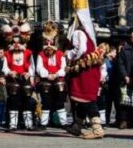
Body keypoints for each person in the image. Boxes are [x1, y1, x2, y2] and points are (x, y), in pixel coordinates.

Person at [65, 10, 105, 139]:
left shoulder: (78, 32)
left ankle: (97, 129)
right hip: (92, 69)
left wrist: (69, 54)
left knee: (87, 98)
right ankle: (77, 125)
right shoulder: (90, 35)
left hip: (83, 69)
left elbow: (80, 49)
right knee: (82, 98)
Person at [2, 18, 34, 131]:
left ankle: (28, 124)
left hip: (24, 79)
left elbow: (32, 66)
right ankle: (13, 124)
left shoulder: (28, 53)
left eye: (18, 42)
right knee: (13, 101)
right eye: (14, 42)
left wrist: (29, 73)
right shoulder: (7, 54)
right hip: (13, 79)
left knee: (27, 101)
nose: (16, 44)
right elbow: (5, 67)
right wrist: (10, 72)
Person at [35, 22, 68, 129]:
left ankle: (63, 123)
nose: (49, 48)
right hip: (46, 80)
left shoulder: (60, 55)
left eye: (51, 45)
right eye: (47, 45)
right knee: (46, 102)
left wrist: (57, 74)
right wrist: (48, 75)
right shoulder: (41, 54)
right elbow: (39, 67)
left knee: (59, 103)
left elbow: (63, 68)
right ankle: (43, 123)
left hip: (58, 79)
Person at [116, 30, 133, 128]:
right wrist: (125, 75)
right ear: (131, 39)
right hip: (126, 77)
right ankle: (123, 121)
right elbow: (120, 64)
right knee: (124, 100)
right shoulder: (125, 49)